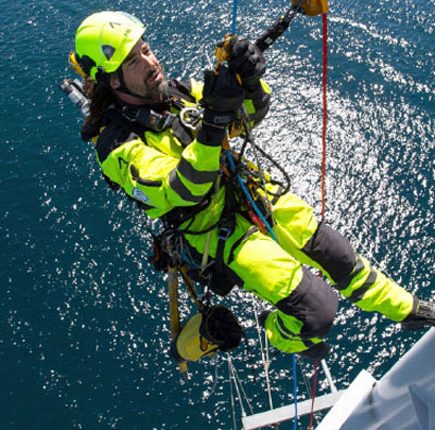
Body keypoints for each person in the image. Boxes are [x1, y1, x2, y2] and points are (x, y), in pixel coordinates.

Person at [69, 10, 434, 360]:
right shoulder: (117, 146)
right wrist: (213, 122)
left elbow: (246, 118)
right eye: (133, 61)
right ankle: (281, 334)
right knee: (317, 311)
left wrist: (250, 83)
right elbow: (182, 188)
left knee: (341, 258)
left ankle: (407, 308)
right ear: (110, 80)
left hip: (255, 195)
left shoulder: (176, 92)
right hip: (221, 236)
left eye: (146, 50)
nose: (150, 63)